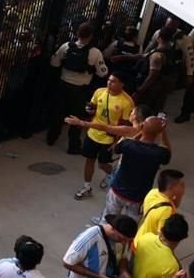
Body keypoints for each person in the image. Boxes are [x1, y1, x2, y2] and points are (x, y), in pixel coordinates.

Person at [47, 22, 108, 154]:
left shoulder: (66, 46)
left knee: (58, 113)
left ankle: (51, 138)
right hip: (80, 90)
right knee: (76, 118)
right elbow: (103, 72)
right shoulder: (95, 52)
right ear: (91, 36)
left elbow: (54, 63)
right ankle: (73, 145)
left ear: (77, 33)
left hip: (63, 85)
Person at [74, 73, 133, 200]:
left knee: (103, 164)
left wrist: (117, 142)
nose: (109, 83)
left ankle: (111, 174)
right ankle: (86, 186)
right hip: (93, 133)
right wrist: (89, 109)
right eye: (109, 80)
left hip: (108, 139)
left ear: (122, 84)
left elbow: (125, 126)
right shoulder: (99, 92)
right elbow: (92, 106)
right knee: (89, 160)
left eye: (114, 81)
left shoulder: (127, 102)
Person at [102, 115, 172, 220]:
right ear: (158, 132)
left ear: (142, 126)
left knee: (107, 220)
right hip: (138, 198)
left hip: (117, 191)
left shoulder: (128, 145)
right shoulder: (159, 153)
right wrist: (163, 132)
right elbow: (167, 153)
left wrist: (141, 132)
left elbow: (116, 149)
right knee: (130, 228)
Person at [137, 169, 185, 240]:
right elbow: (162, 237)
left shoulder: (153, 193)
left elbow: (173, 205)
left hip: (140, 238)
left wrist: (180, 195)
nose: (184, 187)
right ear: (171, 187)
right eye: (181, 185)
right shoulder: (166, 211)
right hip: (147, 247)